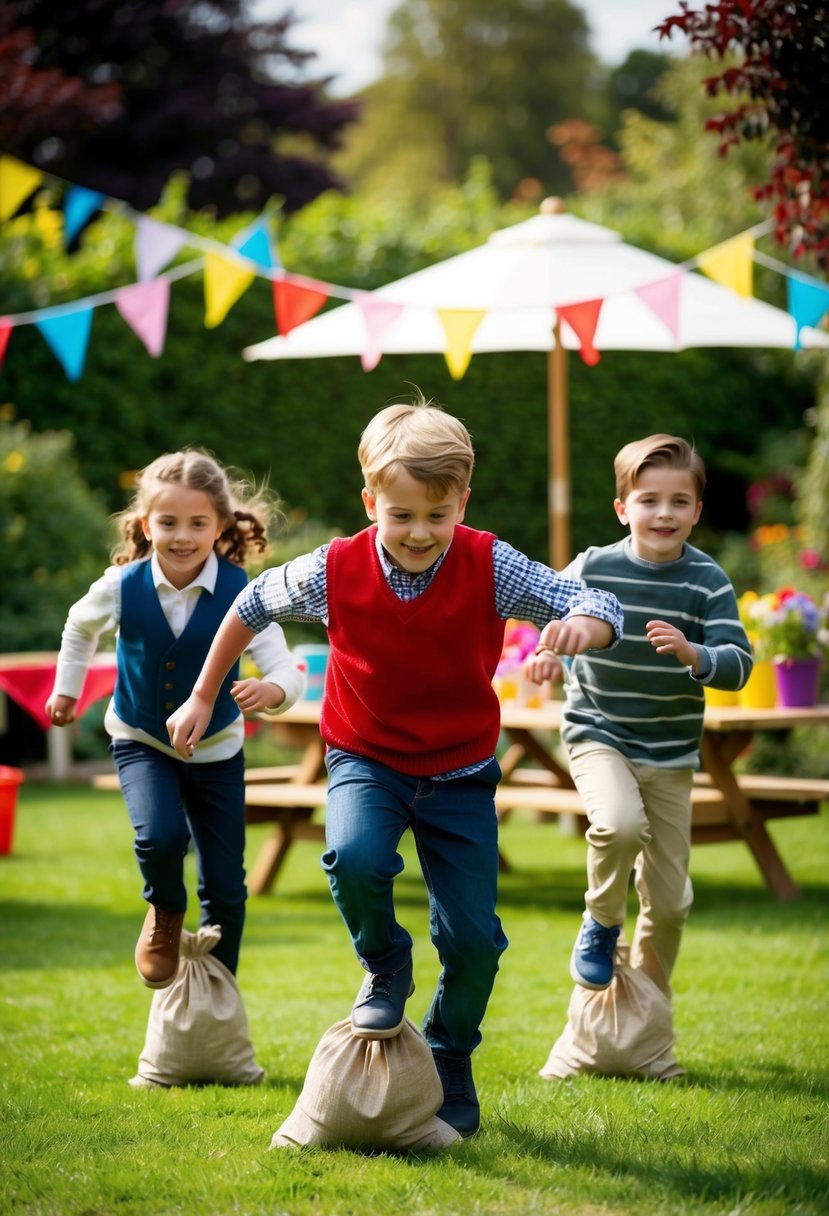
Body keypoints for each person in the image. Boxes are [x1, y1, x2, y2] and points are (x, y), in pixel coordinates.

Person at [167, 391, 624, 1138]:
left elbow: (589, 599)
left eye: (436, 517)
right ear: (369, 500)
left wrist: (581, 623)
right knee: (352, 856)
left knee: (474, 940)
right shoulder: (332, 568)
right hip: (366, 757)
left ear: (461, 503)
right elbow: (249, 605)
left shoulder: (488, 561)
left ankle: (449, 1053)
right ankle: (385, 963)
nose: (418, 533)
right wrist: (200, 694)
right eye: (400, 515)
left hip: (460, 771)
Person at [46, 449, 306, 988]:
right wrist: (67, 692)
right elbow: (78, 627)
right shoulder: (122, 586)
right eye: (167, 523)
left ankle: (220, 987)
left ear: (220, 528)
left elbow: (288, 667)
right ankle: (165, 912)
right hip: (141, 738)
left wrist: (273, 688)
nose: (182, 536)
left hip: (218, 752)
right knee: (160, 837)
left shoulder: (244, 593)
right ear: (146, 525)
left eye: (197, 523)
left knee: (227, 886)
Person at [527, 434, 752, 1002]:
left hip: (672, 752)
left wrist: (694, 654)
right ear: (623, 508)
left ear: (697, 512)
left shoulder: (708, 582)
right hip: (598, 732)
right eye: (649, 500)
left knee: (671, 901)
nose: (664, 513)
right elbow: (555, 617)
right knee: (619, 824)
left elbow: (740, 664)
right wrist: (550, 654)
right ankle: (601, 923)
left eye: (679, 501)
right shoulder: (594, 566)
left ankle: (647, 1004)